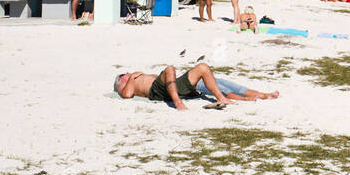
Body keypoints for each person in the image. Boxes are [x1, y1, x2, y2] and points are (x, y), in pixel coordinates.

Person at [113, 62, 279, 110]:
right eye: (125, 74)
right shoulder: (124, 83)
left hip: (170, 85)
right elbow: (127, 95)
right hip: (158, 91)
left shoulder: (136, 77)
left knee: (204, 68)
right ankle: (178, 102)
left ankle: (257, 95)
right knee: (170, 68)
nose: (128, 72)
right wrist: (131, 78)